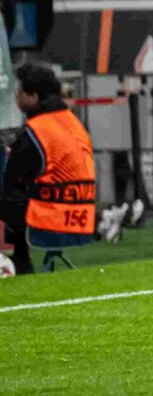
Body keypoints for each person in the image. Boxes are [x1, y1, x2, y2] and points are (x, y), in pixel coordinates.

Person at [0, 63, 96, 276]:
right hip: (82, 217)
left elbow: (11, 184)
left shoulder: (35, 132)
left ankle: (20, 262)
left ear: (34, 96)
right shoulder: (73, 122)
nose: (17, 98)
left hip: (48, 220)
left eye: (20, 93)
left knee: (9, 192)